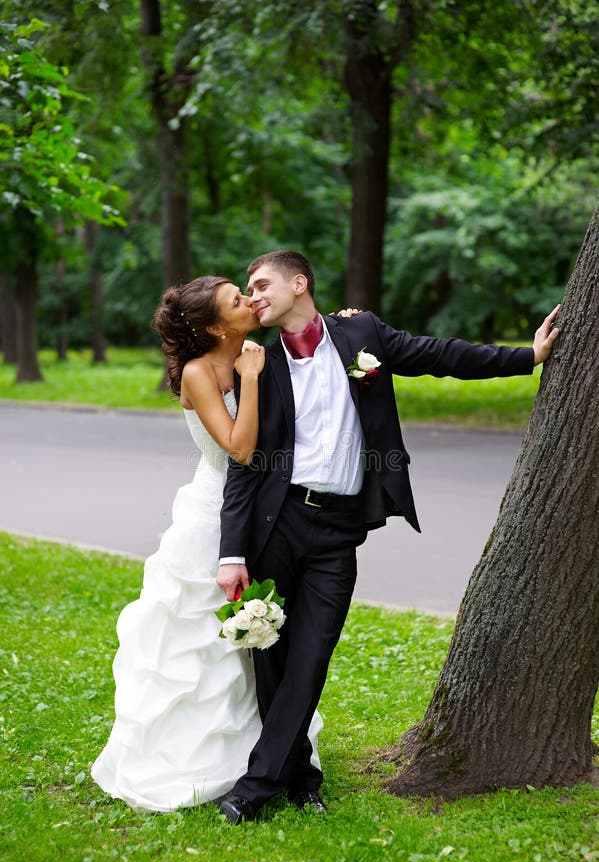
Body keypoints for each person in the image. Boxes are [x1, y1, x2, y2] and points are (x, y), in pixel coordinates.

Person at [215, 249, 561, 824]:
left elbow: (438, 354)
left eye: (261, 284)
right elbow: (243, 464)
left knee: (312, 656)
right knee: (272, 661)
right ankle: (298, 778)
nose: (254, 296)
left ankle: (255, 787)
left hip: (339, 529)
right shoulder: (259, 365)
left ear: (299, 282)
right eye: (247, 289)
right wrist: (232, 552)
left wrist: (527, 356)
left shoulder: (362, 333)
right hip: (276, 524)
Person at [91, 275, 325, 811]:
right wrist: (248, 378)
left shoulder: (256, 351)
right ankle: (196, 759)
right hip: (212, 518)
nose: (249, 300)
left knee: (263, 648)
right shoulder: (202, 372)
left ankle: (272, 756)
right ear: (217, 325)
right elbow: (240, 451)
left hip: (264, 513)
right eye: (236, 300)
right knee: (201, 642)